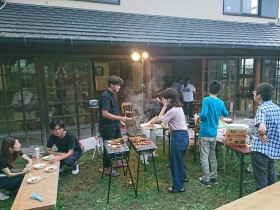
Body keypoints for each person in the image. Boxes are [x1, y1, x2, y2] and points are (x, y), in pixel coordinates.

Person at [156, 88, 189, 193]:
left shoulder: (172, 110)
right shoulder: (179, 108)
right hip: (184, 136)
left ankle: (178, 187)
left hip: (178, 138)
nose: (162, 100)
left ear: (168, 99)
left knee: (175, 163)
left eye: (164, 99)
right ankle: (183, 177)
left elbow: (158, 119)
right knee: (179, 161)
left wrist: (165, 106)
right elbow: (175, 124)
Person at [197, 80, 228, 188]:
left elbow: (204, 114)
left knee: (204, 156)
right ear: (219, 91)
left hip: (205, 132)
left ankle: (206, 180)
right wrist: (219, 115)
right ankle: (214, 177)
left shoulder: (206, 100)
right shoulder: (220, 102)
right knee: (212, 155)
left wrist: (199, 118)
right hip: (214, 133)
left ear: (208, 89)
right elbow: (226, 113)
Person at [251, 83, 280, 191]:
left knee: (261, 181)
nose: (253, 93)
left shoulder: (262, 109)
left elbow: (261, 128)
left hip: (260, 150)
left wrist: (262, 135)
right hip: (272, 149)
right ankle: (271, 200)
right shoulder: (277, 108)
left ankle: (261, 202)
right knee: (270, 174)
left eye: (255, 92)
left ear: (259, 96)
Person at [98, 75, 128, 177]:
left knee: (118, 143)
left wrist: (120, 122)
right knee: (109, 147)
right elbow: (105, 114)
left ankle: (117, 163)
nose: (119, 87)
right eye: (118, 85)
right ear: (112, 85)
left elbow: (115, 110)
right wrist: (120, 119)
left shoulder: (114, 94)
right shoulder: (106, 96)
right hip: (106, 127)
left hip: (115, 125)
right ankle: (107, 169)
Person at [0, 136, 32, 200]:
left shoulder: (16, 151)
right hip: (2, 177)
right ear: (10, 148)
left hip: (5, 175)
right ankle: (2, 190)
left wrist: (29, 165)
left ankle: (7, 188)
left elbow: (29, 160)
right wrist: (23, 172)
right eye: (17, 144)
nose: (20, 144)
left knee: (26, 176)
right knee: (24, 178)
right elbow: (9, 175)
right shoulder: (1, 158)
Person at [140, 95, 163, 164]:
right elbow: (155, 115)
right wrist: (148, 123)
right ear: (161, 98)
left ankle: (151, 154)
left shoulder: (158, 103)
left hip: (151, 123)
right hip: (145, 123)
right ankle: (143, 158)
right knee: (146, 141)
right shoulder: (154, 102)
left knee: (153, 139)